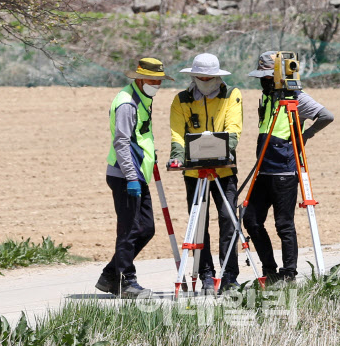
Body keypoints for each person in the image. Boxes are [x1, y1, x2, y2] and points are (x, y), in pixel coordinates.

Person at [243, 51, 334, 284]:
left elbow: (326, 116)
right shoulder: (266, 97)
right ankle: (270, 269)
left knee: (283, 224)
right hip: (263, 169)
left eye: (267, 77)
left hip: (284, 171)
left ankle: (289, 273)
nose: (263, 82)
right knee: (251, 219)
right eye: (261, 77)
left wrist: (304, 137)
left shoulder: (297, 97)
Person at [95, 57, 173, 298]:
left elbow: (139, 136)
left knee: (146, 229)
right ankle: (126, 281)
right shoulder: (127, 103)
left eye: (159, 81)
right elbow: (121, 142)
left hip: (138, 173)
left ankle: (110, 276)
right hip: (126, 176)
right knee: (129, 231)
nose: (156, 84)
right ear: (139, 78)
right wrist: (130, 177)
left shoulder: (142, 98)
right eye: (153, 80)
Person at [167, 53, 243, 293]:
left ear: (218, 77)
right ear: (193, 76)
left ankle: (230, 277)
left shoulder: (232, 95)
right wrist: (178, 157)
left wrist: (223, 150)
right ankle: (206, 276)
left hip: (224, 170)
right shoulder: (181, 100)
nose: (205, 80)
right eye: (200, 77)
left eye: (209, 77)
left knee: (228, 221)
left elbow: (234, 128)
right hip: (194, 173)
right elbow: (177, 133)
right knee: (199, 225)